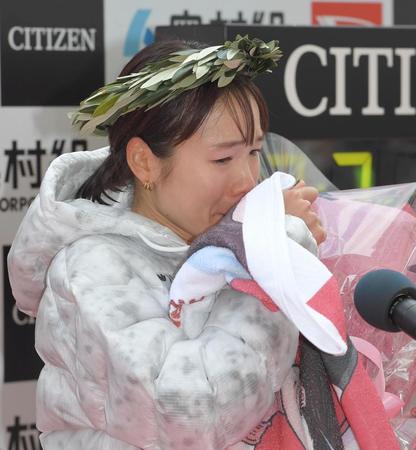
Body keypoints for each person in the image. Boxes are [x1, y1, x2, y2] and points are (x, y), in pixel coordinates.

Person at [8, 37, 331, 450]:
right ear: (145, 161)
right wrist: (276, 255)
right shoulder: (92, 268)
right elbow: (193, 411)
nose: (248, 180)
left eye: (253, 151)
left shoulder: (224, 241)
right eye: (222, 159)